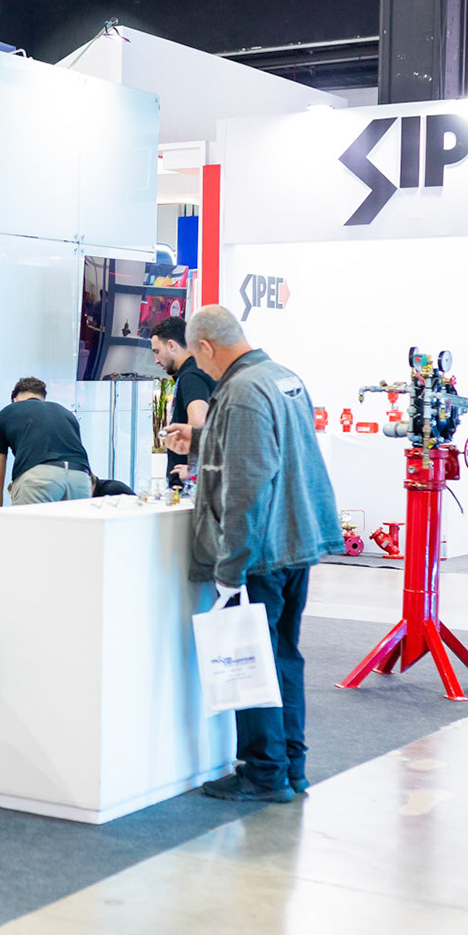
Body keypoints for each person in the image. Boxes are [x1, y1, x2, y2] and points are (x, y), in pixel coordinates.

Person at [161, 305, 338, 804]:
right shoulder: (281, 377)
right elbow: (268, 447)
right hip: (295, 541)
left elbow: (246, 486)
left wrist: (230, 565)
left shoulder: (239, 392)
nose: (201, 368)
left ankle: (263, 773)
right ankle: (291, 767)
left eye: (199, 358)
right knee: (283, 657)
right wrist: (200, 437)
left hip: (262, 551)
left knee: (253, 660)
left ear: (206, 347)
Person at [0, 377, 93, 507]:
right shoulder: (66, 413)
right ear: (42, 398)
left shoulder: (5, 413)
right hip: (81, 478)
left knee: (30, 521)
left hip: (40, 479)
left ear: (15, 400)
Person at [150, 315, 215, 485]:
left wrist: (193, 468)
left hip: (189, 486)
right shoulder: (200, 369)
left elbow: (198, 421)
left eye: (157, 352)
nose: (156, 360)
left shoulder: (191, 376)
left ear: (172, 345)